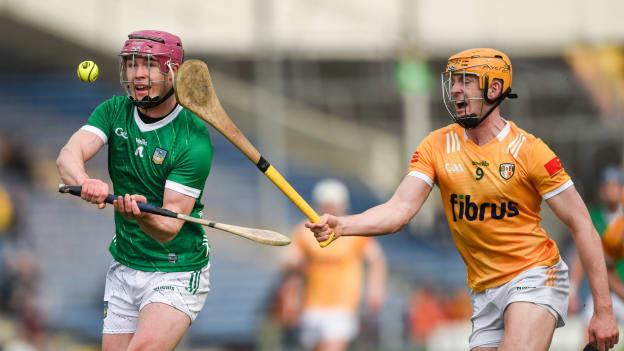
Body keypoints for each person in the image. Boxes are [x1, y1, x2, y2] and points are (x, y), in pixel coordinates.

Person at [307, 48, 619, 351]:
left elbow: (582, 224)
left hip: (535, 275)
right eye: (454, 81)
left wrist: (603, 310)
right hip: (484, 289)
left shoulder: (530, 152)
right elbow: (399, 210)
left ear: (495, 88)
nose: (455, 90)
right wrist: (343, 225)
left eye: (466, 81)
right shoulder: (436, 146)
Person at [56, 30, 214, 351]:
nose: (137, 74)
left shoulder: (192, 139)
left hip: (176, 268)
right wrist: (84, 180)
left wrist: (140, 215)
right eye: (131, 64)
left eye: (149, 65)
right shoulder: (114, 111)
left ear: (172, 71)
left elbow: (169, 227)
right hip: (126, 264)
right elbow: (68, 155)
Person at [283, 179, 386, 351]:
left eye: (334, 205)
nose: (330, 209)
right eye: (327, 204)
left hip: (342, 306)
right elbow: (292, 268)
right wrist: (290, 298)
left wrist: (375, 291)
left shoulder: (354, 231)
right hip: (311, 306)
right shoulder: (304, 231)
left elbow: (376, 260)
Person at [569, 167, 624, 325]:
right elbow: (581, 255)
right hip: (602, 291)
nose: (611, 191)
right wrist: (573, 290)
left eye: (615, 186)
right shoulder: (592, 216)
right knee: (590, 331)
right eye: (607, 186)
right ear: (601, 190)